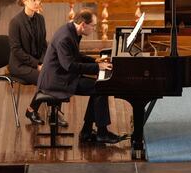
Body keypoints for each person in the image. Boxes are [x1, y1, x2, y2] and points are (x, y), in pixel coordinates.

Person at [37, 8, 125, 144]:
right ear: (83, 24)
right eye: (93, 26)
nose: (94, 29)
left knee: (97, 87)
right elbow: (70, 66)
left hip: (62, 75)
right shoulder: (65, 37)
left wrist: (95, 60)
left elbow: (76, 56)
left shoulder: (72, 31)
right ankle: (101, 133)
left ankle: (87, 132)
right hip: (57, 81)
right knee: (100, 88)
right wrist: (97, 68)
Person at [8, 0, 67, 126]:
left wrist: (47, 62)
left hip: (38, 62)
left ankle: (53, 113)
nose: (37, 3)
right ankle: (32, 109)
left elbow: (43, 45)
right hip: (20, 65)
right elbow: (16, 50)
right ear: (24, 1)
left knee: (57, 73)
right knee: (47, 78)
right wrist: (38, 65)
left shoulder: (40, 19)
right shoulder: (15, 22)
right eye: (33, 0)